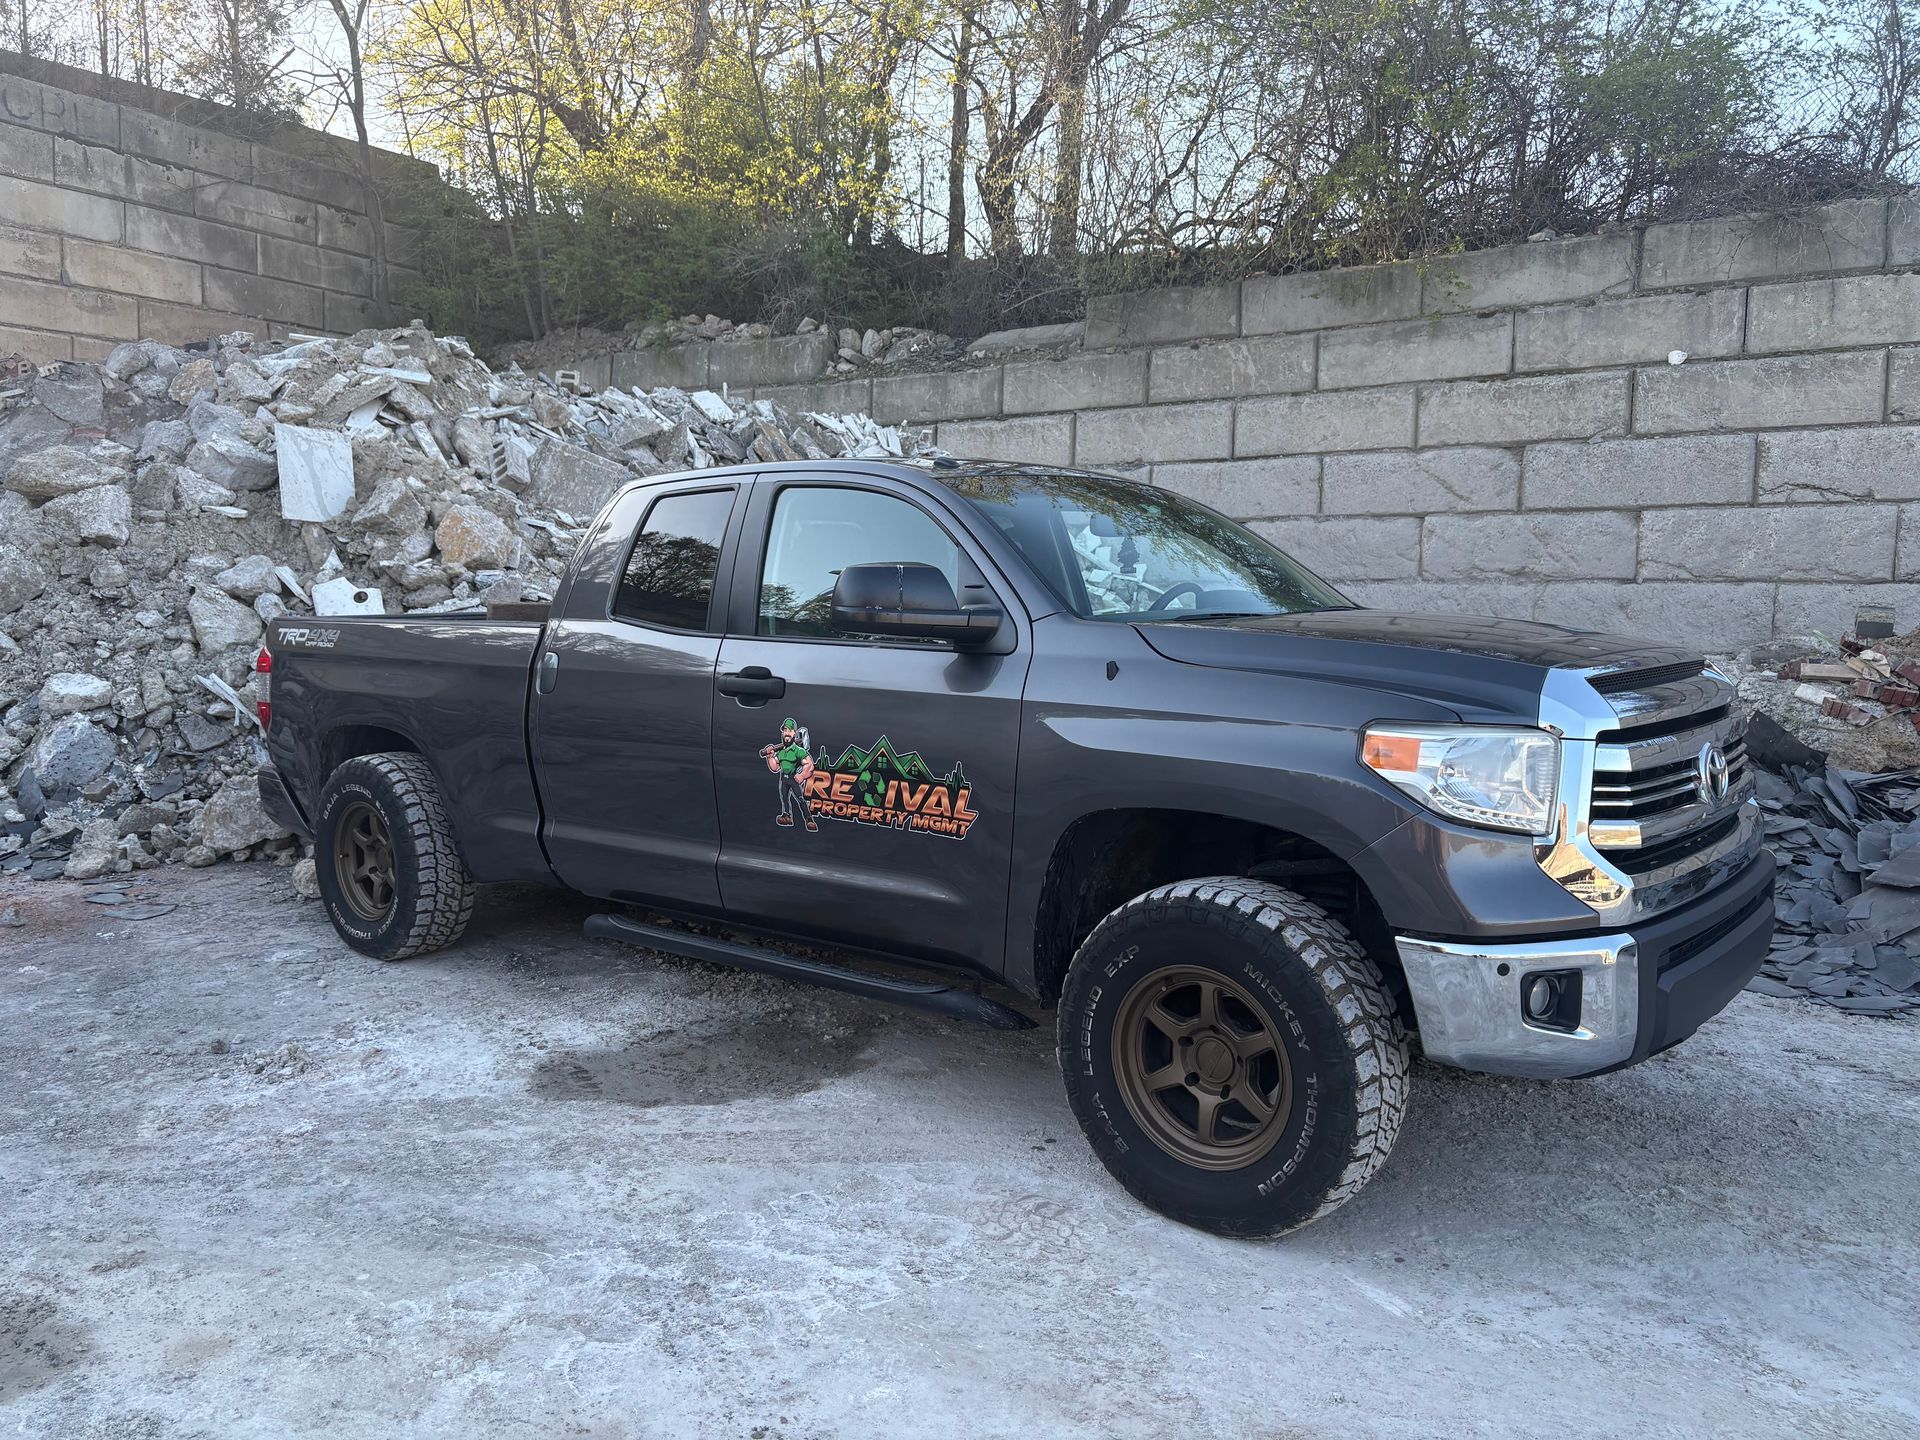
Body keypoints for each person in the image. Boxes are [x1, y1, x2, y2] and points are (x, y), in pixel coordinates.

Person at [760, 718, 817, 830]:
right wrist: (770, 756)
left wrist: (802, 775)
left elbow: (809, 765)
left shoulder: (798, 750)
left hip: (793, 779)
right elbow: (775, 767)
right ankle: (787, 816)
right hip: (783, 780)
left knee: (800, 799)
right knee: (784, 798)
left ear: (794, 733)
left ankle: (809, 819)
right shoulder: (781, 751)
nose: (787, 733)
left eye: (789, 730)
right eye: (785, 730)